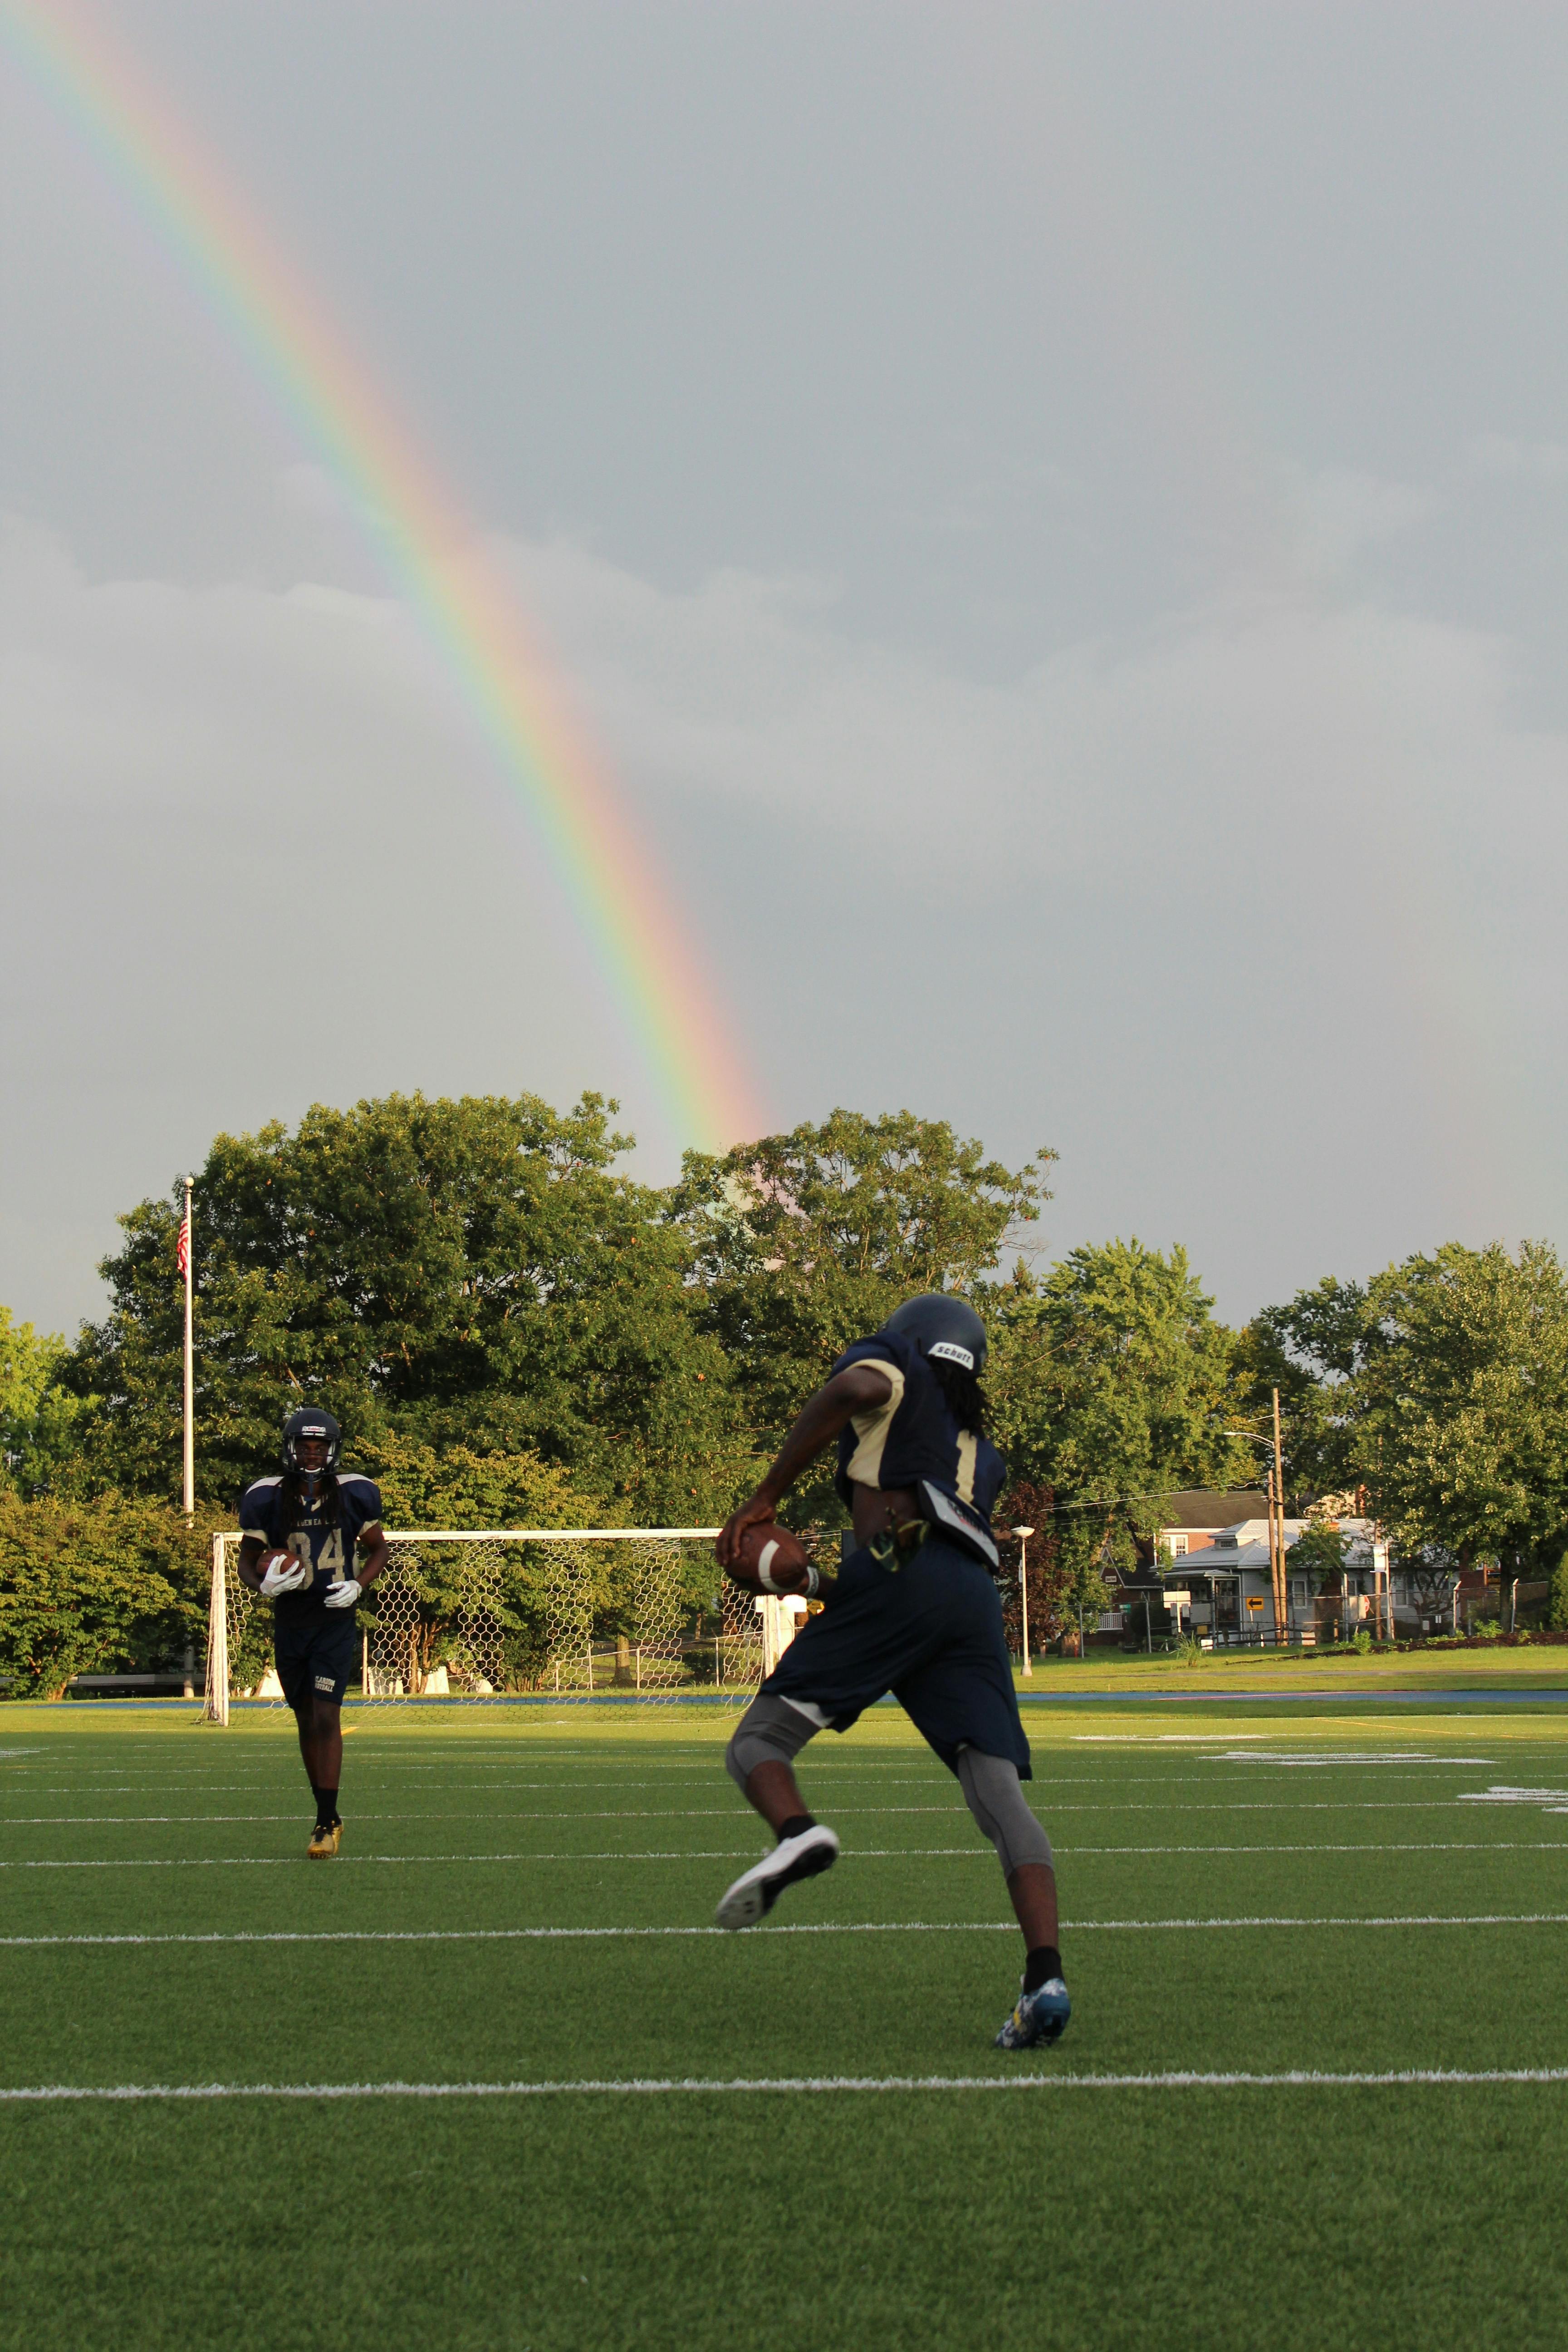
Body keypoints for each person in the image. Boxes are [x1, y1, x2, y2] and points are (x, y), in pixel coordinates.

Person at [715, 1293, 1070, 2049]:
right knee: (996, 1792)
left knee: (754, 1746)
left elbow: (855, 1391)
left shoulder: (893, 1363)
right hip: (972, 1601)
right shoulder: (983, 1449)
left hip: (903, 1573)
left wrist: (766, 1493)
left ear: (911, 1341)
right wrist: (811, 1585)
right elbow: (926, 1561)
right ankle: (1044, 1974)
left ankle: (797, 1833)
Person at [236, 1406, 388, 1858]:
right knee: (305, 1718)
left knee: (326, 1715)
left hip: (334, 1620)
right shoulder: (266, 1496)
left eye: (319, 1446)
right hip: (292, 1622)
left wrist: (358, 1586)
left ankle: (324, 1821)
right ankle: (329, 1813)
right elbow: (247, 1559)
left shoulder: (355, 1492)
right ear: (291, 1449)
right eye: (304, 1446)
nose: (311, 1454)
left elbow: (379, 1549)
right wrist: (261, 1583)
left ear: (333, 1449)